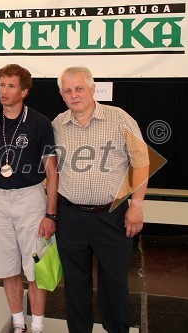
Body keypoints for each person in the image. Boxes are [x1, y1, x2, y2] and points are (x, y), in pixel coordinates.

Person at [52, 66, 149, 333]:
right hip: (70, 217)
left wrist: (137, 205)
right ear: (62, 95)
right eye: (68, 91)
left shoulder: (119, 118)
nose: (74, 95)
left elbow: (141, 161)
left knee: (115, 284)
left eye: (79, 88)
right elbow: (51, 171)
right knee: (75, 285)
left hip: (112, 216)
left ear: (93, 89)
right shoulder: (57, 125)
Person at [0, 64, 58, 333]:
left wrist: (51, 214)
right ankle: (18, 324)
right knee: (7, 266)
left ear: (24, 91)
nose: (4, 91)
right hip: (0, 198)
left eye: (11, 85)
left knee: (35, 267)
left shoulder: (39, 123)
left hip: (31, 198)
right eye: (1, 85)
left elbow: (52, 171)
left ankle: (37, 327)